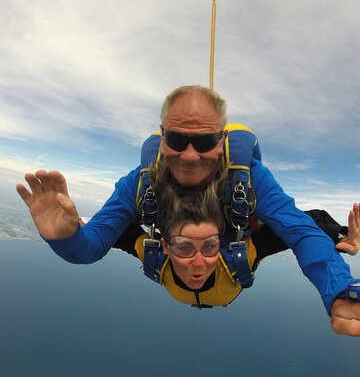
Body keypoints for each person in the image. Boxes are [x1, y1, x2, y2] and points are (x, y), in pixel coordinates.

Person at [16, 85, 360, 335]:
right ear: (162, 139)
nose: (191, 155)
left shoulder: (250, 180)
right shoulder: (139, 185)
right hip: (192, 253)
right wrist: (65, 237)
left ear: (223, 141)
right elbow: (92, 245)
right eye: (178, 141)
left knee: (306, 226)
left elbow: (300, 233)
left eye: (206, 141)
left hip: (224, 246)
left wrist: (339, 290)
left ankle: (341, 236)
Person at [113, 162, 360, 308]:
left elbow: (301, 226)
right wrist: (340, 237)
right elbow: (306, 224)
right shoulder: (240, 258)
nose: (197, 262)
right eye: (184, 247)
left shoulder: (156, 257)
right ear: (165, 245)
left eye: (208, 246)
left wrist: (341, 236)